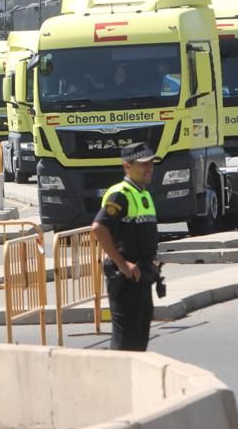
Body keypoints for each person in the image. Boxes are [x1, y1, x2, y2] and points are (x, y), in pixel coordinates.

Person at [91, 142, 161, 351]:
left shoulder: (143, 194)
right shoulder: (120, 194)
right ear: (127, 167)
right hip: (125, 279)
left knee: (139, 339)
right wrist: (122, 264)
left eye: (150, 163)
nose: (148, 168)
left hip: (142, 275)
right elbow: (98, 228)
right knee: (126, 341)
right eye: (142, 164)